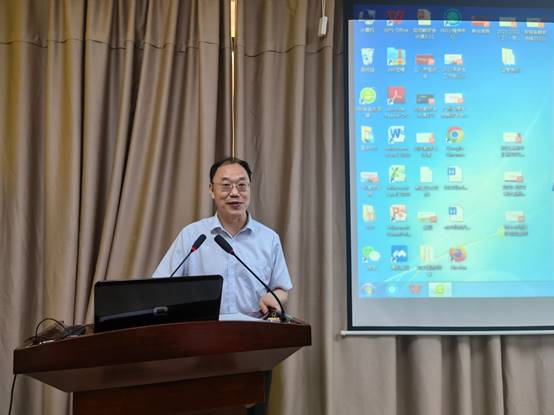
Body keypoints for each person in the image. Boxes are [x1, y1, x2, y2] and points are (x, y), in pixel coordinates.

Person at [153, 157, 292, 317]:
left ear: (249, 188)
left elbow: (281, 289)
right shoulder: (191, 235)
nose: (235, 193)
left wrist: (274, 297)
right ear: (212, 190)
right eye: (226, 186)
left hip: (254, 328)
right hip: (203, 328)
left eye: (242, 185)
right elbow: (161, 284)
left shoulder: (269, 239)